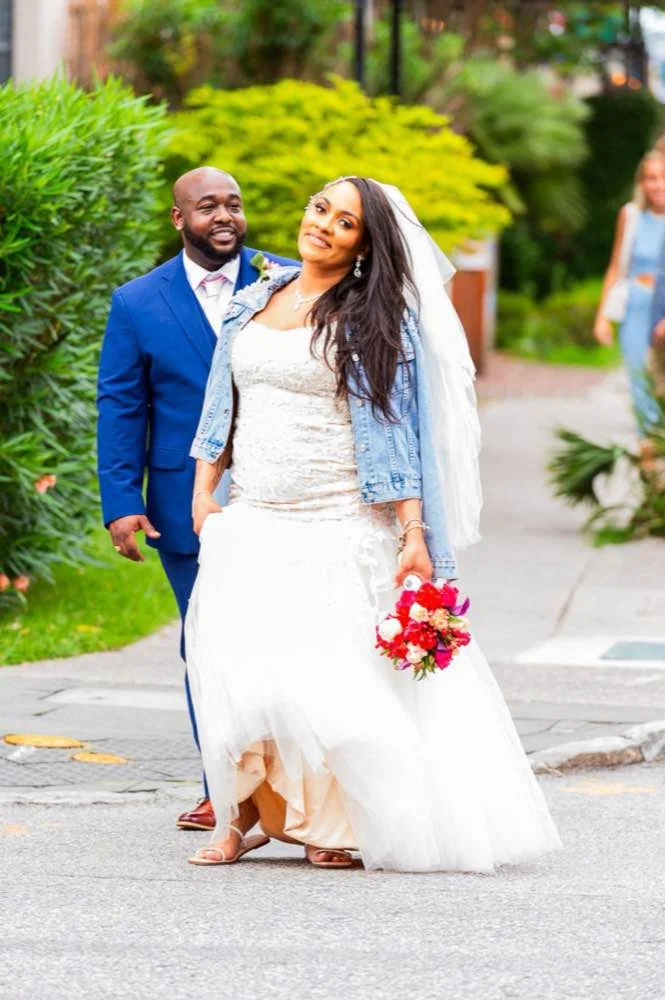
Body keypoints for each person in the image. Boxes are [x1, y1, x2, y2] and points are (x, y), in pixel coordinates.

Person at [184, 177, 560, 871]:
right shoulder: (254, 298)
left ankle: (336, 821)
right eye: (320, 207)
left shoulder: (372, 318)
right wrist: (204, 490)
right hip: (254, 517)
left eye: (346, 221)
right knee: (241, 669)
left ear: (365, 244)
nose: (323, 224)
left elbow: (397, 432)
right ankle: (237, 821)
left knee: (329, 680)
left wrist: (413, 534)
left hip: (338, 519)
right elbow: (222, 403)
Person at [97, 167, 295, 832]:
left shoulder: (288, 281)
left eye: (233, 204)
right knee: (208, 643)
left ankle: (293, 788)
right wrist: (122, 501)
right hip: (186, 507)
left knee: (289, 639)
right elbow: (121, 406)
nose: (224, 216)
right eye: (207, 205)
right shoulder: (137, 303)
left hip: (286, 493)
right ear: (179, 219)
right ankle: (222, 784)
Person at [594, 150, 665, 440]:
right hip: (636, 307)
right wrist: (602, 318)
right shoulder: (631, 215)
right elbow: (616, 267)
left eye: (663, 177)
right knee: (640, 382)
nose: (658, 185)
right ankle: (649, 455)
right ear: (641, 183)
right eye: (651, 178)